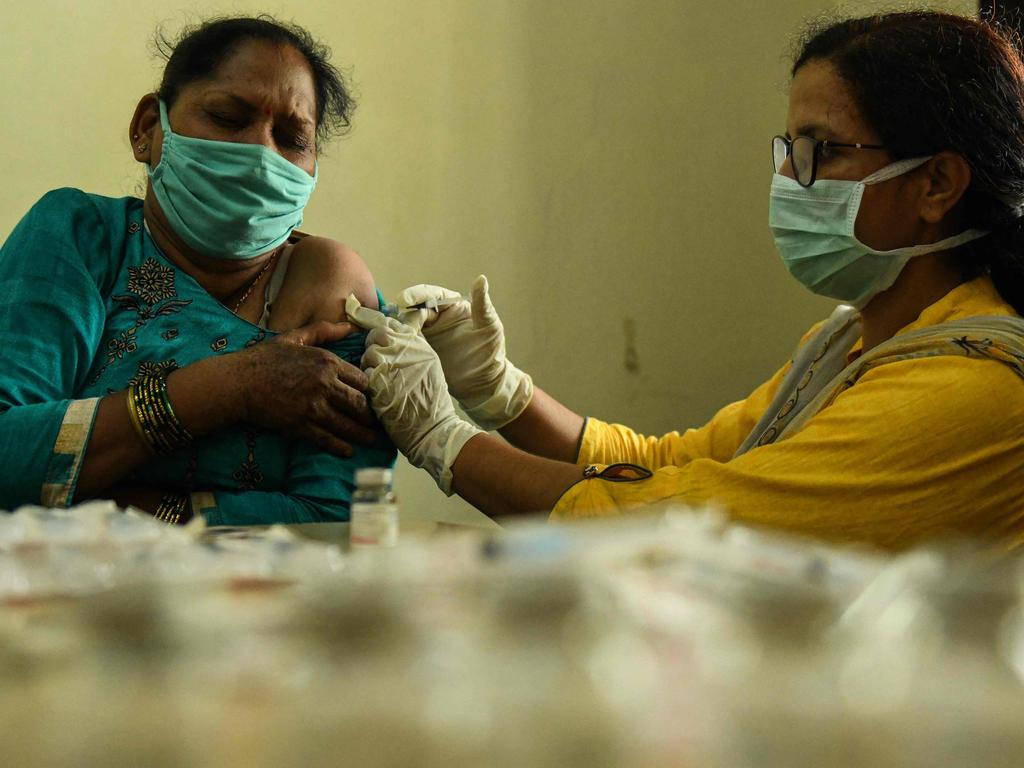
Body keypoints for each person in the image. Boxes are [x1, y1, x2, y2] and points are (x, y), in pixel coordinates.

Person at [351, 10, 1024, 551]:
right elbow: (671, 463)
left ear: (936, 183)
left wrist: (445, 438)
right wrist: (500, 392)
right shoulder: (847, 342)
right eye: (789, 149)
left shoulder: (977, 388)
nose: (789, 179)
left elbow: (680, 525)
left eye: (823, 150)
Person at [0, 16, 394, 525]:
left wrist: (129, 508)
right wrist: (230, 387)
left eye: (293, 137)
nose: (260, 151)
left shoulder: (331, 287)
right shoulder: (82, 235)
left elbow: (336, 518)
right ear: (148, 129)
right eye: (229, 117)